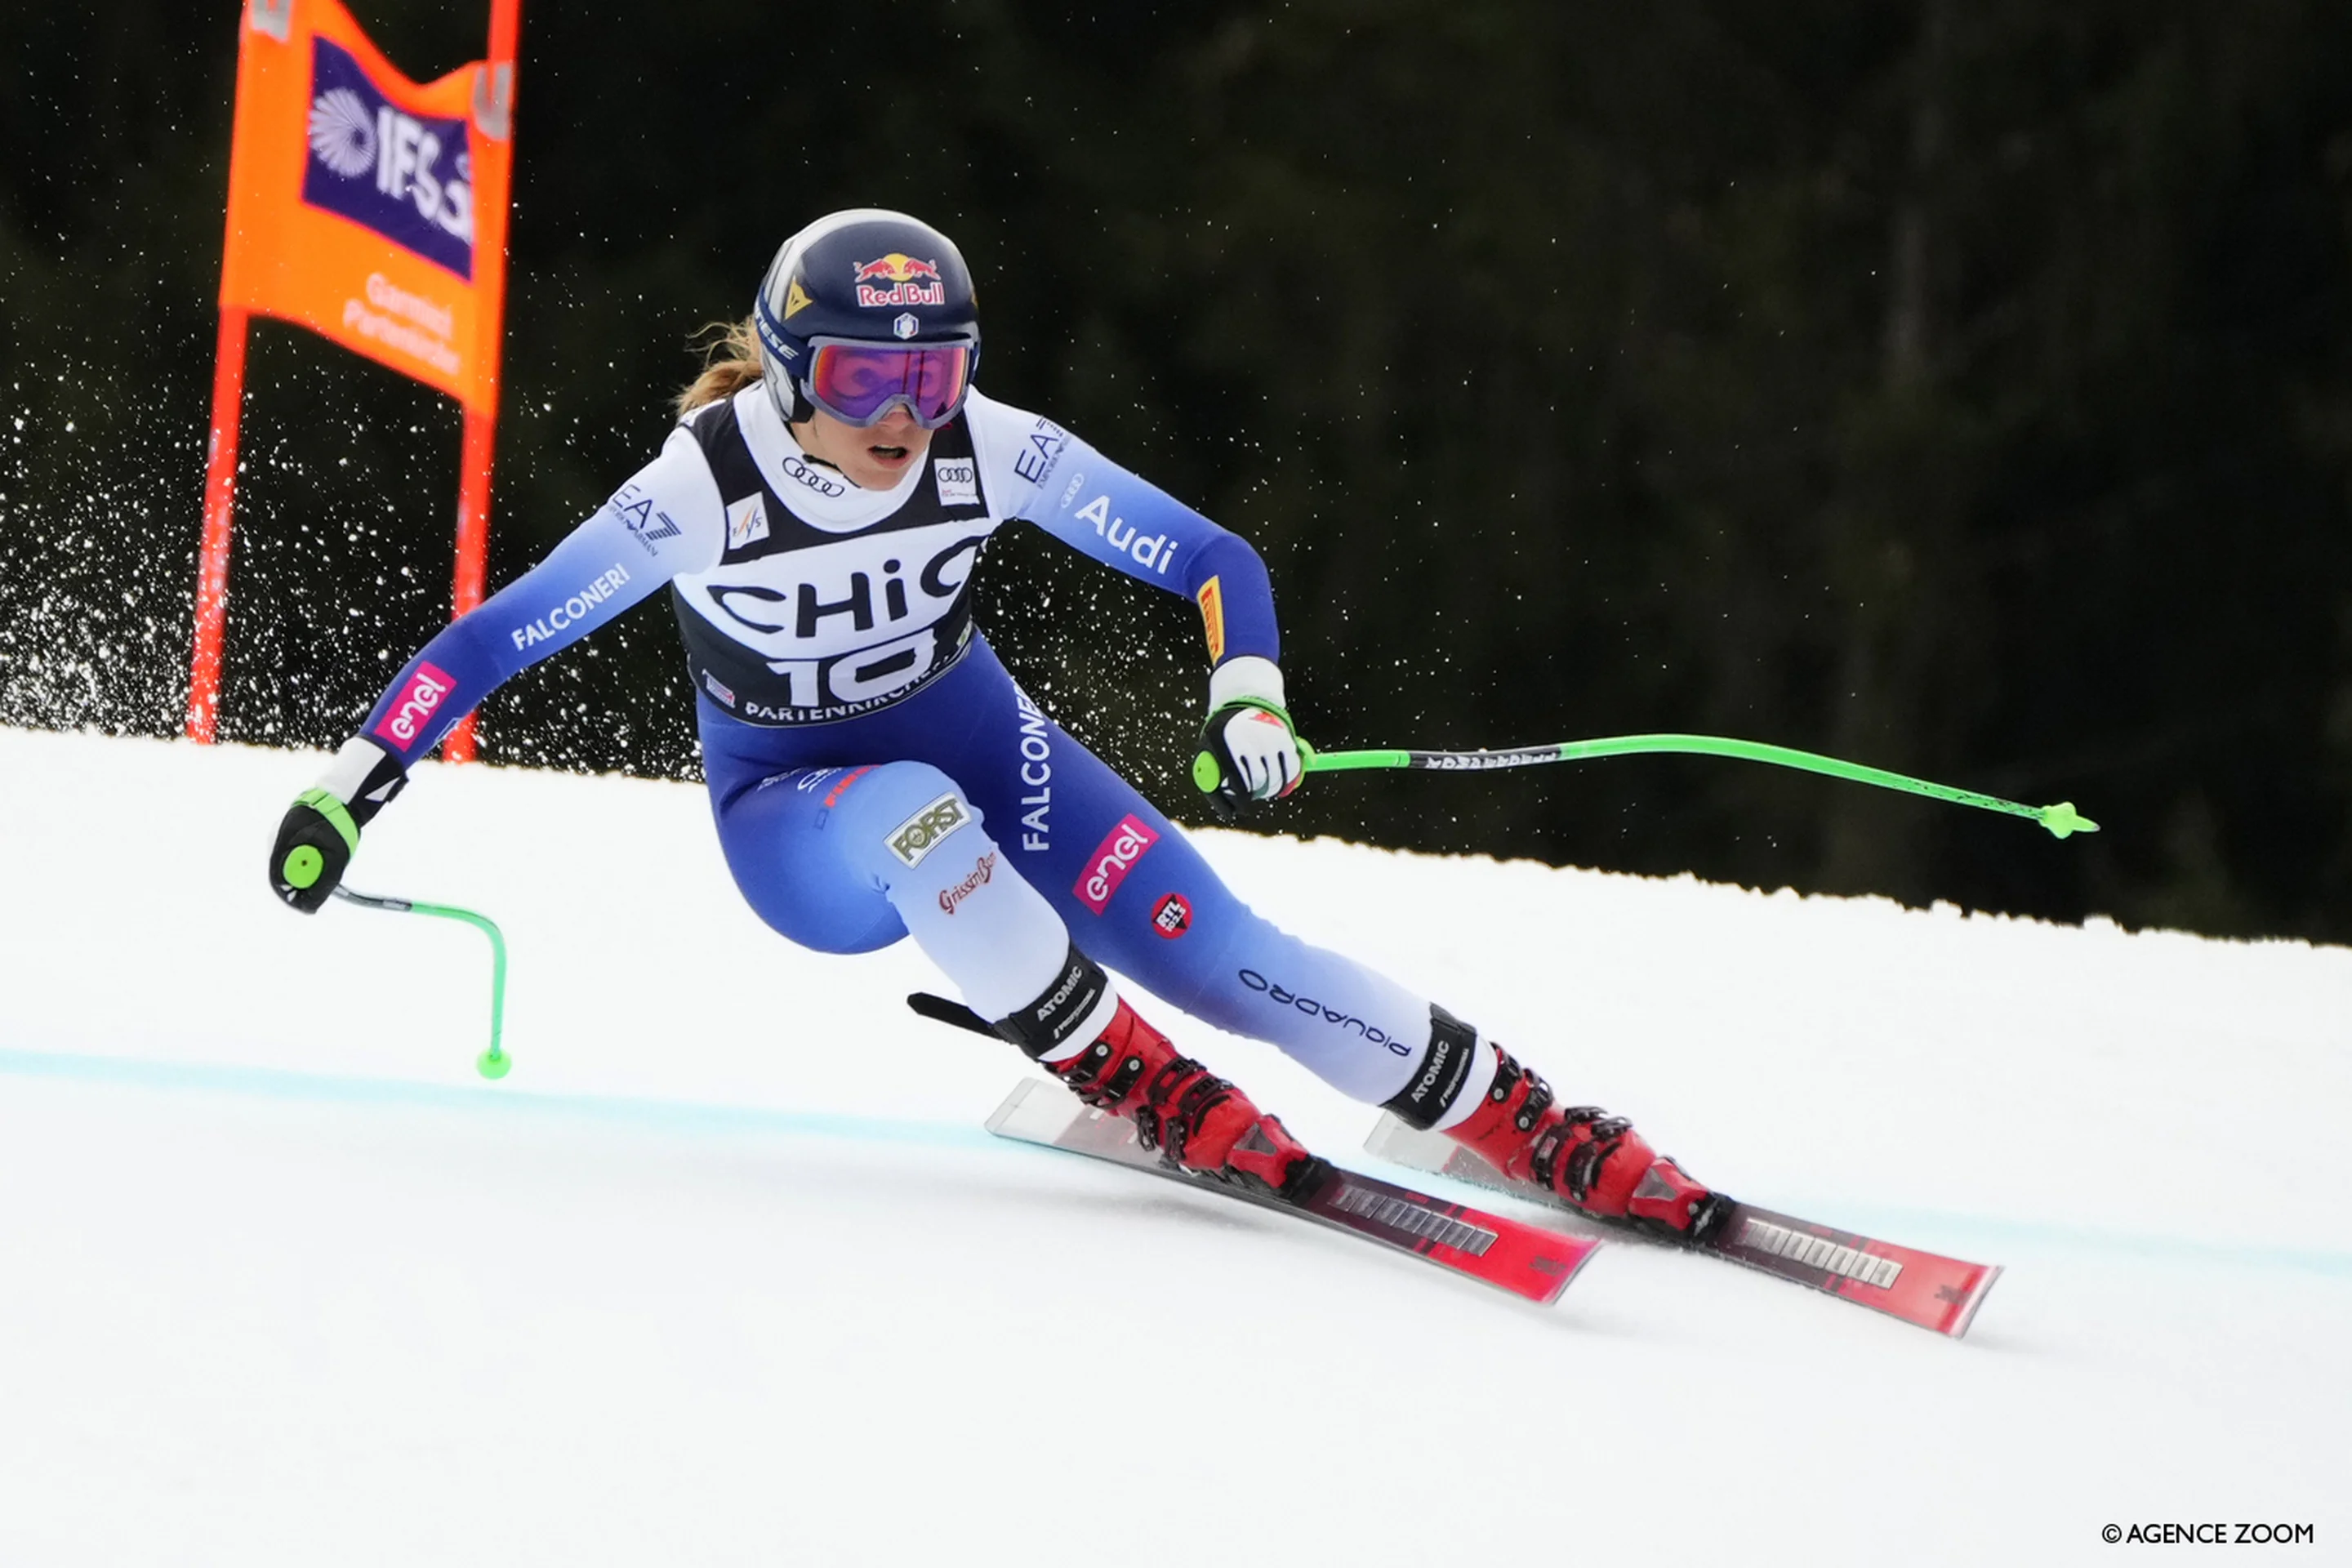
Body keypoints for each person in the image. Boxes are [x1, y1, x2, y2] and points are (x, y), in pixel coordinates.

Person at [267, 208, 1721, 1236]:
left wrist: (1248, 687)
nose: (906, 413)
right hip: (798, 819)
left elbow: (1211, 557)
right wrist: (349, 788)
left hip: (983, 744)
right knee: (914, 813)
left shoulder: (988, 446)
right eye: (865, 375)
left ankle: (1519, 1120)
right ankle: (1135, 1077)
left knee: (1224, 951)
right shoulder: (702, 488)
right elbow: (493, 639)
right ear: (792, 368)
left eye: (936, 371)